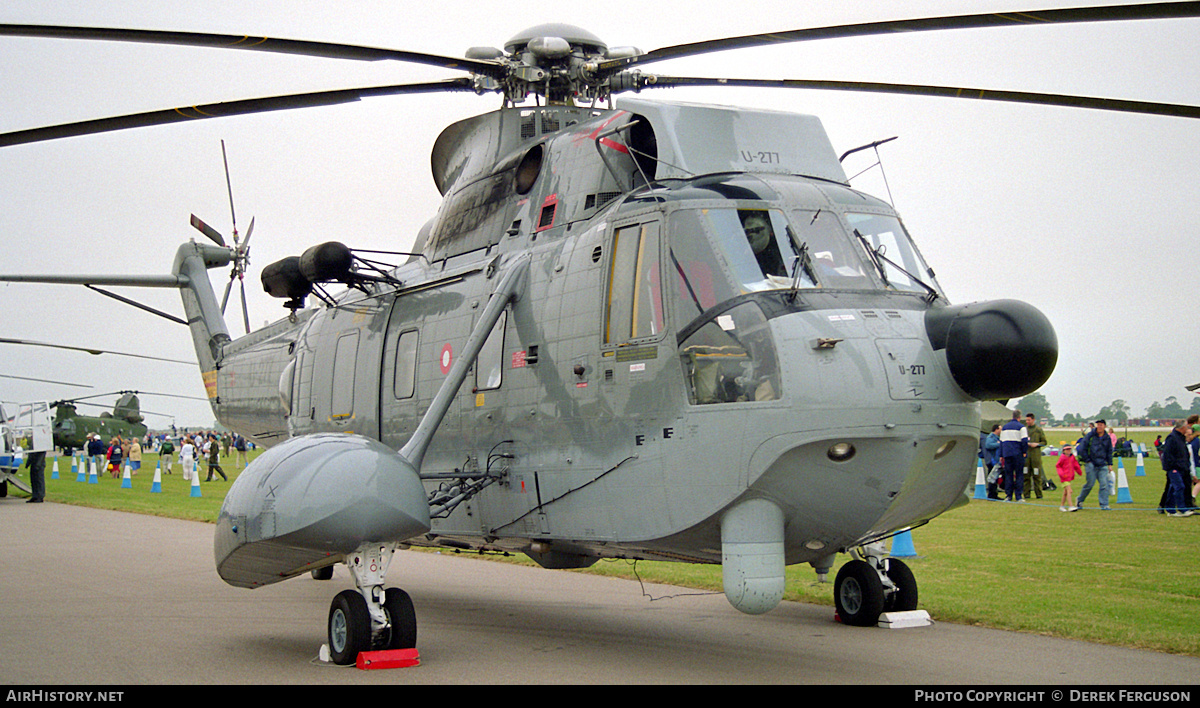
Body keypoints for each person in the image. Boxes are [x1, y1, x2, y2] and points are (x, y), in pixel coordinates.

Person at [1075, 419, 1114, 511]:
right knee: (1090, 484)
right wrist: (1087, 460)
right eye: (1098, 425)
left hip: (1102, 464)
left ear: (1105, 426)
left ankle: (1104, 504)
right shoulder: (1090, 436)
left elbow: (1109, 451)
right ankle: (1080, 500)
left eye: (1101, 425)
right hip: (1091, 463)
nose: (1099, 427)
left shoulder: (1107, 438)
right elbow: (1082, 448)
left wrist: (1110, 464)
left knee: (1104, 484)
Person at [1157, 421, 1194, 517]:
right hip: (1174, 468)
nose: (1187, 428)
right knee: (1179, 486)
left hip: (1182, 467)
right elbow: (1168, 454)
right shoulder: (1172, 438)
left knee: (1173, 488)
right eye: (1186, 426)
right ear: (1182, 427)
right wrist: (1172, 466)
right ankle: (1182, 509)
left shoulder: (1181, 438)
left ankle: (1170, 509)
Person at [998, 411, 1029, 502]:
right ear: (1019, 417)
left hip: (1007, 454)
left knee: (1008, 475)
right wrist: (1024, 451)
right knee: (1019, 474)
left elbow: (1002, 442)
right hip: (1018, 454)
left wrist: (1001, 454)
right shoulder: (1021, 427)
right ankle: (1018, 496)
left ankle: (1008, 496)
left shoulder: (1004, 428)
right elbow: (1024, 441)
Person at [1023, 413, 1048, 500]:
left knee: (1037, 476)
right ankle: (1026, 494)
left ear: (1033, 420)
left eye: (1029, 420)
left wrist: (1037, 444)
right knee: (1026, 475)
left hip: (1035, 457)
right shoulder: (1024, 430)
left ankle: (1039, 494)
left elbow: (1044, 442)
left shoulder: (1038, 430)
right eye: (1026, 420)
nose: (1027, 422)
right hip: (1026, 457)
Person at [1055, 444, 1081, 512]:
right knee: (1070, 491)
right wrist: (1062, 474)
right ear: (1063, 451)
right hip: (1064, 478)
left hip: (1069, 477)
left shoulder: (1072, 457)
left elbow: (1075, 465)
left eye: (1069, 449)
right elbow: (1058, 466)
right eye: (1067, 449)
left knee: (1065, 492)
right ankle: (1070, 506)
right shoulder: (1062, 458)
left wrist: (1079, 471)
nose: (1068, 451)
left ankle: (1062, 506)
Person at [982, 424, 1002, 499]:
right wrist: (999, 444)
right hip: (991, 461)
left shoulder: (997, 438)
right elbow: (988, 445)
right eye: (1000, 429)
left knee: (995, 478)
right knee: (992, 478)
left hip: (995, 460)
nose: (1001, 431)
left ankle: (994, 494)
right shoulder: (991, 437)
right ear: (996, 429)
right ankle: (991, 494)